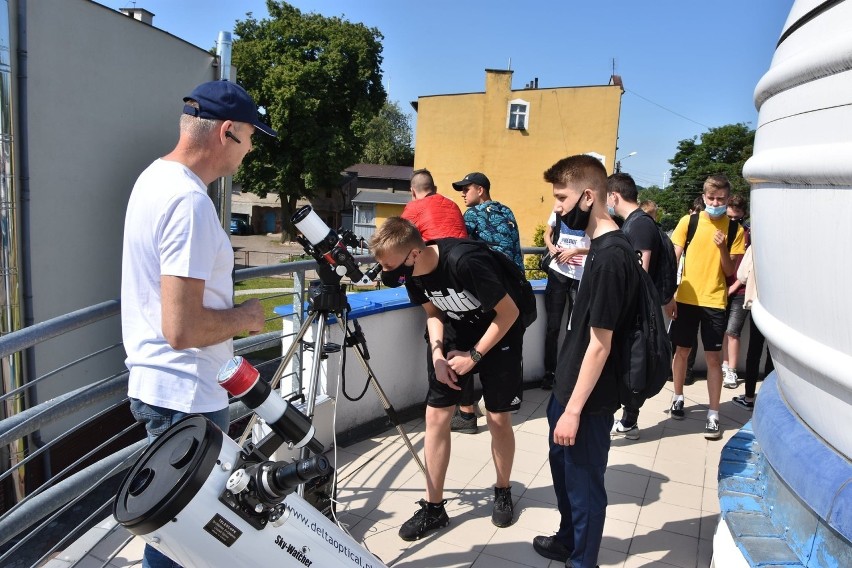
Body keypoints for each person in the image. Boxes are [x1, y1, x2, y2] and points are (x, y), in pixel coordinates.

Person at [121, 80, 271, 568]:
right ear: (227, 132)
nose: (249, 151)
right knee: (191, 541)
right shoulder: (188, 203)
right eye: (250, 138)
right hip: (186, 398)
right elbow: (181, 329)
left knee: (175, 531)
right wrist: (245, 317)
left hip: (165, 390)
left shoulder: (153, 178)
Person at [369, 217, 525, 539]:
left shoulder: (466, 262)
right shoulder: (411, 275)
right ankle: (434, 508)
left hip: (500, 334)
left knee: (497, 419)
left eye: (388, 265)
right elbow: (434, 314)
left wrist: (475, 357)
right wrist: (438, 355)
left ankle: (503, 490)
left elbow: (509, 313)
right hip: (456, 336)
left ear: (413, 254)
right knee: (436, 418)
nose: (385, 273)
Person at [532, 155, 638, 568]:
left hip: (588, 399)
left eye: (562, 197)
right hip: (570, 386)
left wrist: (574, 410)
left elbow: (601, 344)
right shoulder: (596, 247)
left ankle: (583, 561)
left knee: (585, 486)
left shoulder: (612, 255)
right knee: (565, 474)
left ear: (588, 196)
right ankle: (567, 540)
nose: (557, 206)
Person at [667, 175, 746, 440]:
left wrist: (723, 247)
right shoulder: (688, 222)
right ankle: (677, 396)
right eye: (711, 198)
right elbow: (673, 258)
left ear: (727, 199)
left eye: (721, 199)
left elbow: (729, 271)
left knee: (714, 358)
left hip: (714, 300)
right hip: (686, 298)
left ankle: (714, 414)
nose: (715, 203)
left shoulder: (735, 231)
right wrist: (670, 294)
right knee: (681, 351)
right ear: (703, 197)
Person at [450, 171, 524, 433]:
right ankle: (505, 402)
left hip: (487, 292)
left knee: (466, 345)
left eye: (466, 189)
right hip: (515, 291)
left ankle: (467, 414)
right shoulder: (507, 211)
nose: (462, 193)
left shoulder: (471, 216)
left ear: (480, 190)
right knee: (506, 348)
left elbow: (457, 247)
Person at [606, 172, 660, 440]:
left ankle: (629, 420)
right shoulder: (636, 222)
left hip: (635, 314)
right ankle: (628, 418)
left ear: (614, 195)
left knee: (633, 366)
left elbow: (640, 272)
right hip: (636, 312)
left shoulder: (638, 226)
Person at [540, 214, 589, 390]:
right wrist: (551, 246)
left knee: (575, 328)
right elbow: (548, 233)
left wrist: (576, 251)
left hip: (580, 276)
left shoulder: (591, 213)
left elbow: (599, 245)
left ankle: (570, 374)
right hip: (557, 273)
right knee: (552, 327)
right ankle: (549, 373)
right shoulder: (559, 210)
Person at [721, 195, 750, 388]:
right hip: (721, 287)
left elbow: (747, 267)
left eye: (737, 216)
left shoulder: (748, 233)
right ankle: (724, 364)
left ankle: (731, 370)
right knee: (722, 329)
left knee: (732, 331)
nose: (733, 220)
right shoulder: (721, 230)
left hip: (740, 290)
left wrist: (733, 287)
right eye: (729, 216)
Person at [401, 168, 468, 241]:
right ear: (435, 189)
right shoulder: (453, 205)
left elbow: (398, 236)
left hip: (437, 251)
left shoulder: (414, 207)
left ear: (412, 191)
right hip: (463, 250)